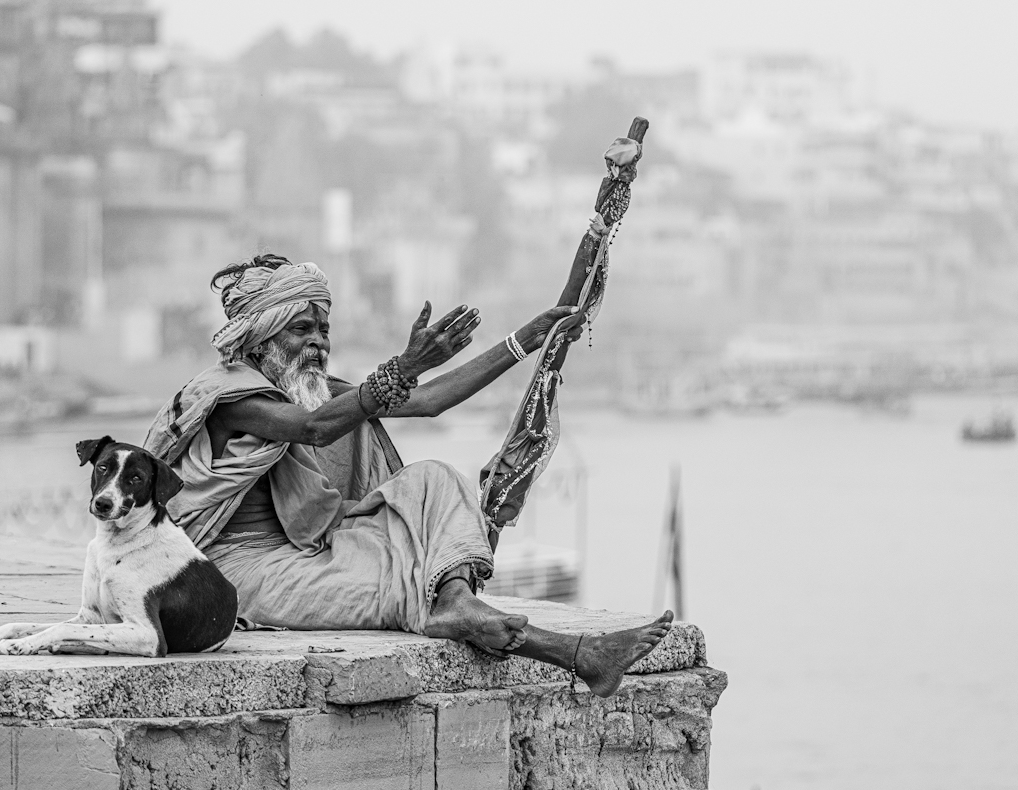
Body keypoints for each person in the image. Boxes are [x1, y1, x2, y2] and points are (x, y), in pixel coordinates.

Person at [144, 254, 673, 697]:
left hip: (316, 547)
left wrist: (527, 339)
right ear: (260, 337)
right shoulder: (229, 396)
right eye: (301, 329)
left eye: (324, 330)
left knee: (436, 479)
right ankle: (578, 654)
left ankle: (458, 601)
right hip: (245, 568)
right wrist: (405, 364)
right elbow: (315, 428)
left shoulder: (318, 388)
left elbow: (430, 401)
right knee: (403, 584)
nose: (317, 342)